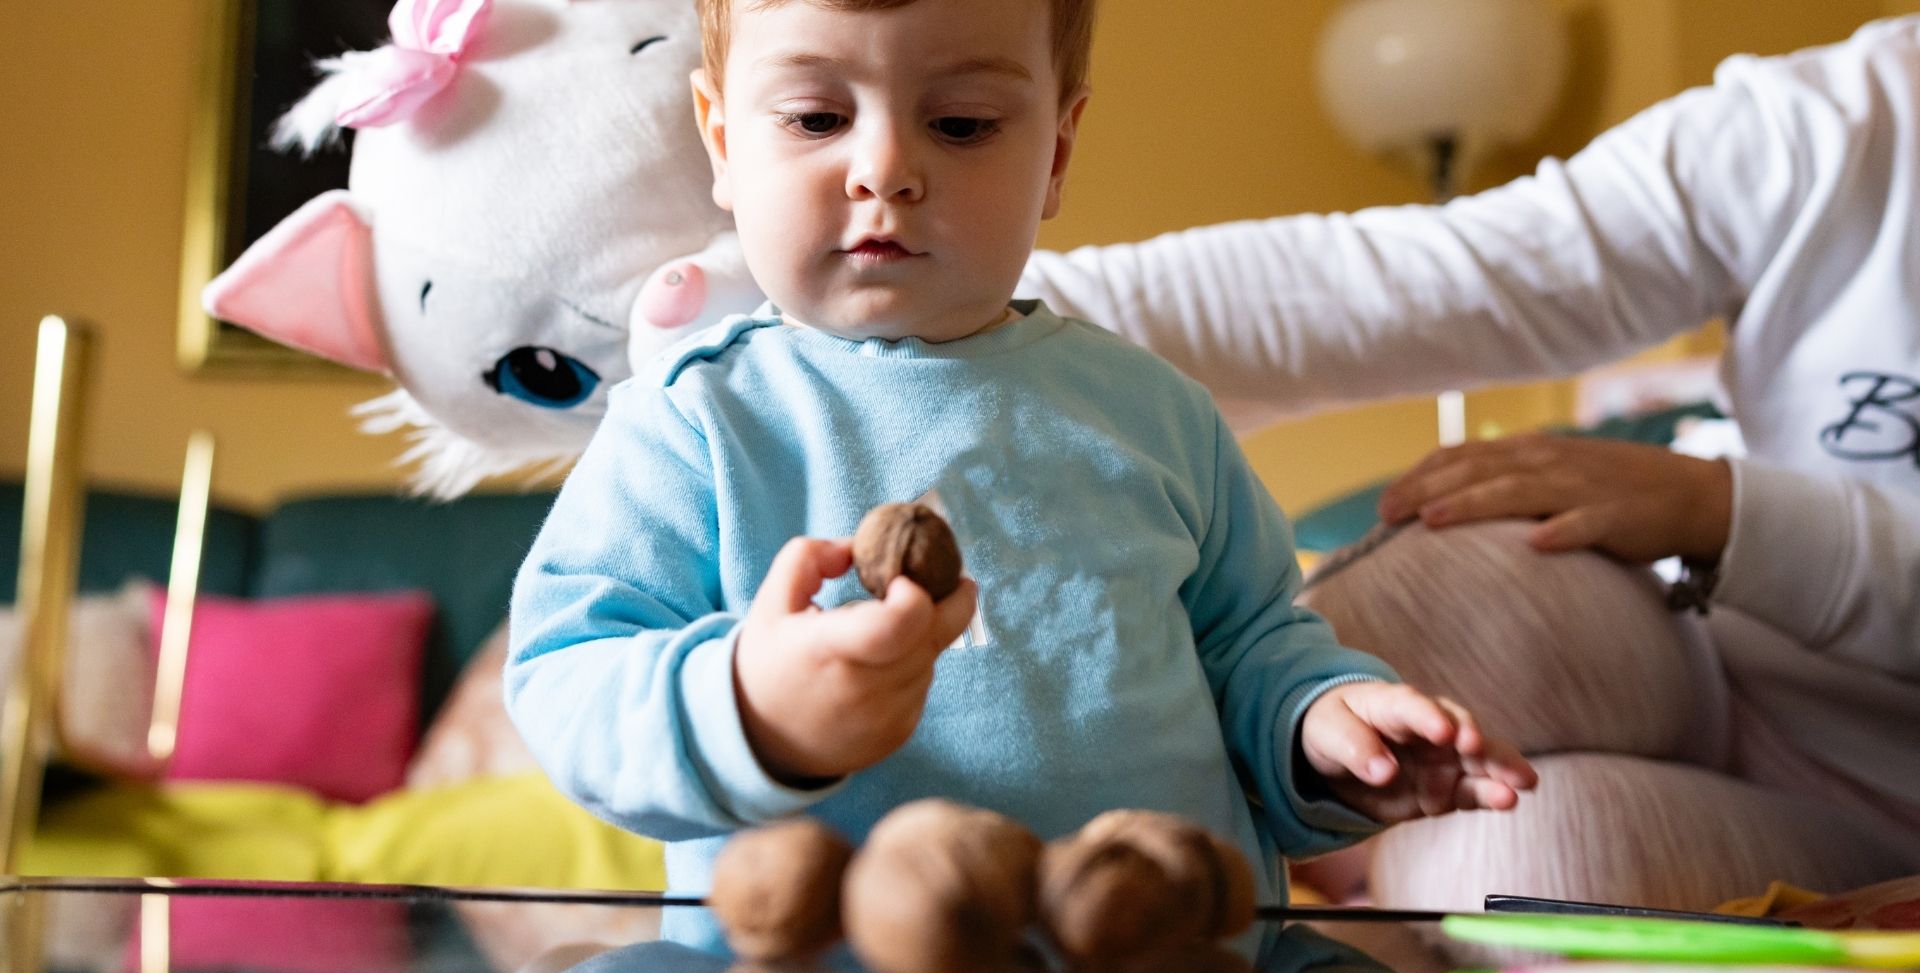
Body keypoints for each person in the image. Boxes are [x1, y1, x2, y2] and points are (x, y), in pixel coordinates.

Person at [503, 0, 1537, 902]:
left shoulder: (1159, 414)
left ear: (1054, 153)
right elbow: (567, 678)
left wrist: (1324, 731)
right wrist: (748, 709)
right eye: (817, 118)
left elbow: (1254, 649)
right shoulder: (692, 425)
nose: (886, 170)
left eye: (960, 124)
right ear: (723, 143)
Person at [1017, 17, 1920, 906]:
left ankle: (1344, 917)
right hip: (1735, 676)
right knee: (1387, 618)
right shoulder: (1844, 120)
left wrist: (1723, 512)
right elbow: (1407, 283)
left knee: (1505, 885)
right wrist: (955, 324)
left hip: (1889, 802)